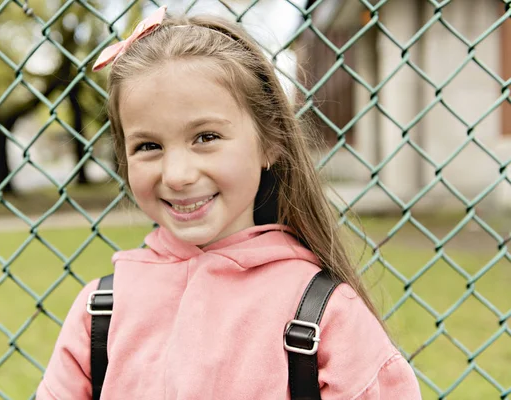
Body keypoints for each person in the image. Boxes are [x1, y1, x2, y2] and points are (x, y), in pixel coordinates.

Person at [37, 5, 421, 399]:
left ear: (270, 142)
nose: (177, 174)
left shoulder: (325, 314)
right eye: (148, 146)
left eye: (205, 137)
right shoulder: (101, 312)